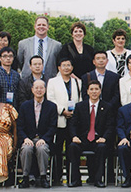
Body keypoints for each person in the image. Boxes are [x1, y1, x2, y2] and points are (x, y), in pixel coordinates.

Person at [67, 80, 115, 187]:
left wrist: (105, 138)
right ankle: (76, 180)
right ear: (87, 91)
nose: (94, 92)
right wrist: (74, 136)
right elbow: (73, 124)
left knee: (102, 147)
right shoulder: (80, 106)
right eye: (91, 89)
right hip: (82, 139)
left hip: (99, 139)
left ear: (100, 91)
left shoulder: (107, 107)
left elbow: (110, 126)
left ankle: (98, 180)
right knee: (72, 147)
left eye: (96, 89)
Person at [46, 57, 82, 186]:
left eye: (69, 65)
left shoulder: (77, 82)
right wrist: (62, 111)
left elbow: (80, 100)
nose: (66, 67)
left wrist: (74, 113)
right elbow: (50, 99)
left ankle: (72, 177)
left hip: (73, 122)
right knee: (57, 150)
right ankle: (56, 177)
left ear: (72, 68)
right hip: (59, 119)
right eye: (64, 65)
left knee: (71, 150)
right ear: (59, 68)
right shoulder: (52, 82)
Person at [17, 79, 58, 189]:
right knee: (26, 149)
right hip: (28, 138)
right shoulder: (25, 106)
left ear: (45, 90)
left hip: (43, 139)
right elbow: (20, 126)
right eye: (36, 88)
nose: (39, 90)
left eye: (41, 88)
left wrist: (44, 139)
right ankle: (25, 177)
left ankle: (43, 177)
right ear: (32, 90)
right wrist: (25, 138)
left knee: (41, 149)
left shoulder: (51, 106)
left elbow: (52, 127)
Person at [18, 16, 62, 81]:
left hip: (49, 81)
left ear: (48, 27)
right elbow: (20, 62)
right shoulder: (23, 43)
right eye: (39, 25)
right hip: (28, 81)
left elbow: (58, 63)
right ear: (35, 27)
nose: (41, 27)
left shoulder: (56, 45)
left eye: (44, 25)